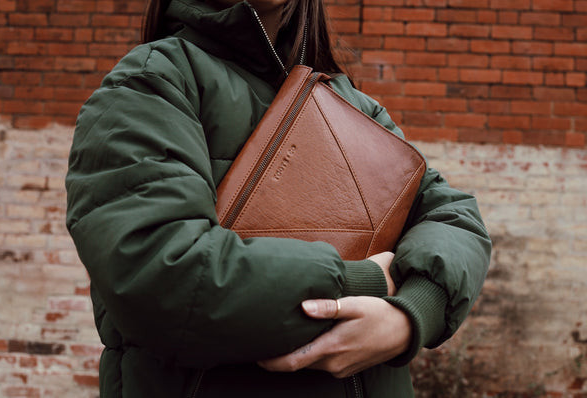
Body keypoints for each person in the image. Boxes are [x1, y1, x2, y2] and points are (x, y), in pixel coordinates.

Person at [65, 0, 491, 396]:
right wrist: (369, 281)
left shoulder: (352, 104)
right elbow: (162, 273)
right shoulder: (152, 83)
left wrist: (409, 315)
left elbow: (454, 217)